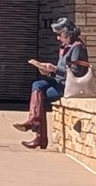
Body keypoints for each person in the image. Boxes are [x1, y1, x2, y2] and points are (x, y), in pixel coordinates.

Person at [15, 17, 89, 149]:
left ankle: (39, 135)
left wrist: (54, 69)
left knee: (40, 96)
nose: (58, 38)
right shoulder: (66, 46)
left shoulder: (77, 47)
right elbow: (61, 70)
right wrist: (47, 71)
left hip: (69, 85)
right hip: (59, 80)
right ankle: (34, 123)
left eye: (59, 34)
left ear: (67, 32)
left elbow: (76, 72)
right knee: (37, 85)